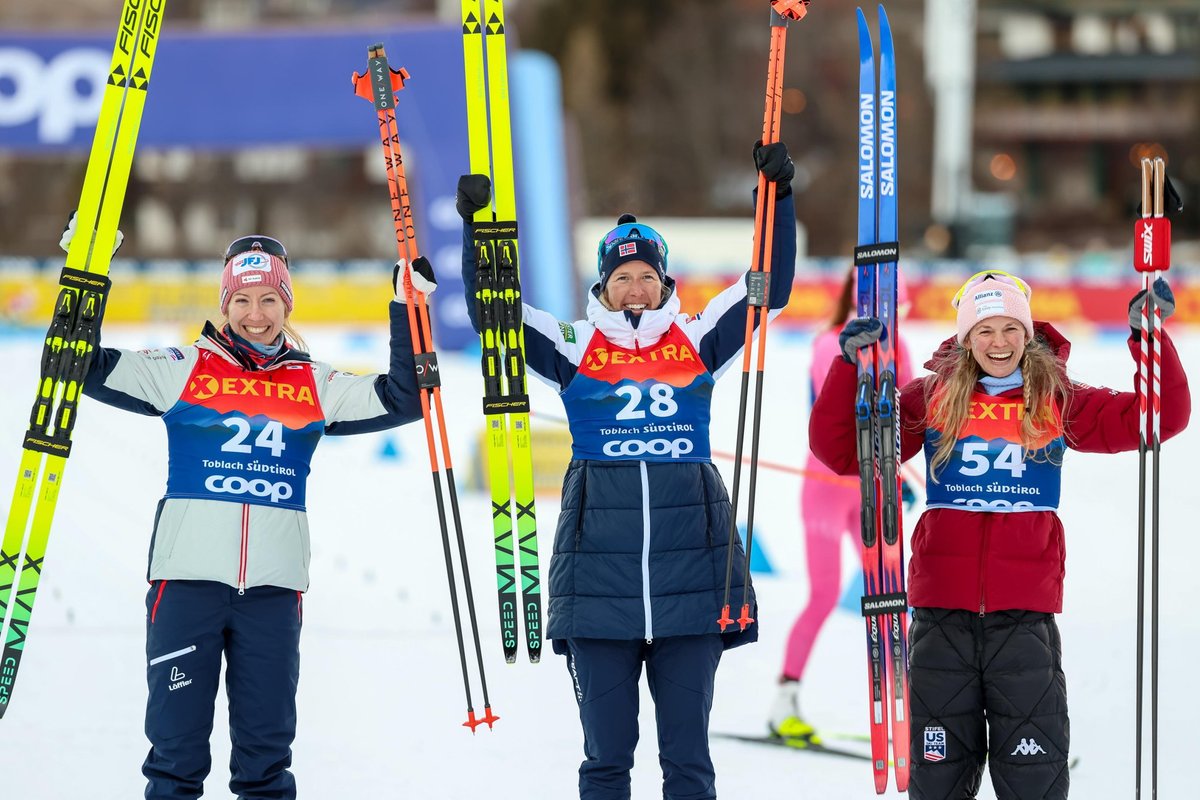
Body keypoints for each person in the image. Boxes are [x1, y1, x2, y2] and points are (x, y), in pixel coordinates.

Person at [456, 140, 797, 800]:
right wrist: (478, 232)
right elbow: (492, 317)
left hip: (692, 580)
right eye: (622, 278)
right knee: (606, 761)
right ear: (603, 287)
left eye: (646, 276)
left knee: (688, 761)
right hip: (597, 586)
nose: (635, 287)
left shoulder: (699, 340)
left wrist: (776, 200)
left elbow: (769, 287)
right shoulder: (576, 347)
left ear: (665, 283)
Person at [808, 270, 1190, 798]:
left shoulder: (1056, 398)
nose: (999, 342)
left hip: (1024, 620)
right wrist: (850, 367)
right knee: (937, 780)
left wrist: (1149, 340)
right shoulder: (930, 399)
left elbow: (1158, 418)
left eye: (1011, 328)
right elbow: (845, 453)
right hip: (942, 618)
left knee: (1033, 780)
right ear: (966, 338)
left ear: (1028, 333)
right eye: (985, 330)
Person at [76, 229, 427, 800]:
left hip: (271, 592)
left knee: (265, 761)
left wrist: (406, 308)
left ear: (287, 304)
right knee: (175, 756)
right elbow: (79, 364)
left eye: (268, 299)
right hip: (187, 586)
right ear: (224, 304)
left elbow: (403, 398)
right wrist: (86, 268)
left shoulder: (314, 382)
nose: (255, 314)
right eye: (242, 299)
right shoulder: (179, 368)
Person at [767, 266, 913, 745]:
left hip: (876, 484)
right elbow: (832, 412)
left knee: (893, 601)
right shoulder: (829, 341)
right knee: (825, 594)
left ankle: (918, 706)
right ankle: (784, 700)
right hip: (828, 484)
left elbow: (908, 418)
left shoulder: (902, 346)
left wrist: (904, 475)